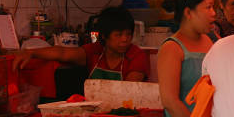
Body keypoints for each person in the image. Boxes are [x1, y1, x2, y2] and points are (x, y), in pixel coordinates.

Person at [12, 6, 149, 81]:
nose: (125, 39)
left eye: (128, 34)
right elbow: (63, 53)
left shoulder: (136, 55)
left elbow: (130, 89)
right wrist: (31, 52)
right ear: (104, 36)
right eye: (118, 35)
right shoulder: (95, 51)